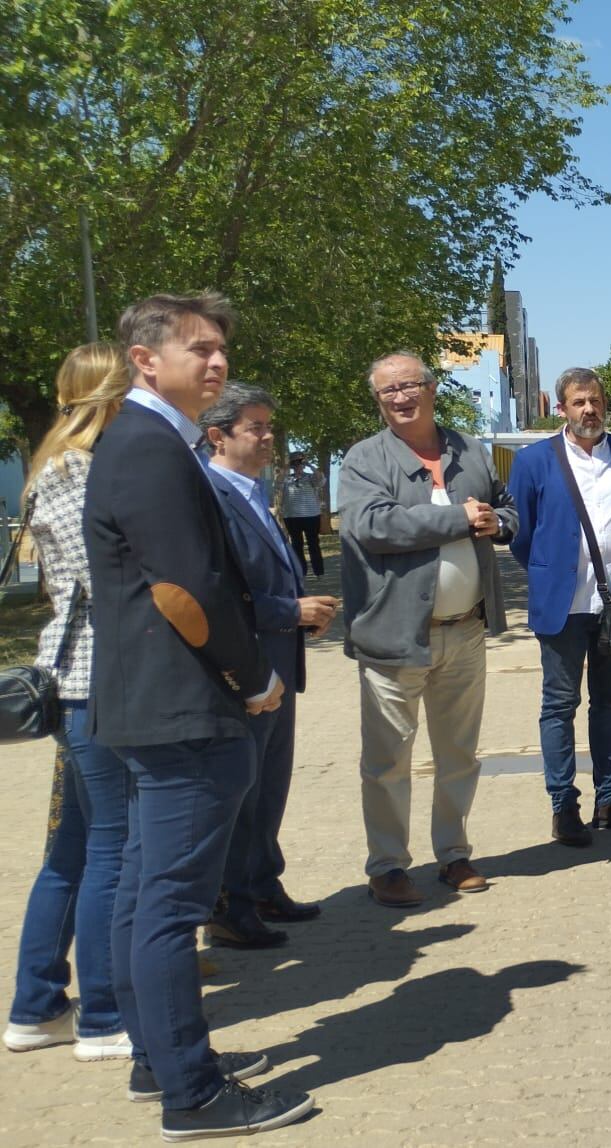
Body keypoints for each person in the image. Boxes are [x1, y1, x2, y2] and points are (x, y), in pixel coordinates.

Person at [85, 293, 309, 1137]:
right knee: (171, 903)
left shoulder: (150, 442)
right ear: (146, 359)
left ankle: (160, 1060)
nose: (216, 363)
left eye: (221, 350)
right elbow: (187, 592)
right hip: (181, 709)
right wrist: (252, 679)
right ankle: (194, 1093)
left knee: (148, 893)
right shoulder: (148, 448)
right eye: (200, 350)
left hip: (155, 707)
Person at [340, 352, 518, 909]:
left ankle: (454, 853)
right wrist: (461, 519)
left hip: (464, 630)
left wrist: (497, 522)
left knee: (459, 753)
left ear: (432, 389)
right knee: (388, 760)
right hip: (394, 637)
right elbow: (373, 525)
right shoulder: (364, 458)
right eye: (387, 391)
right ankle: (388, 865)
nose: (399, 398)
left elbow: (507, 508)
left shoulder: (470, 450)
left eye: (409, 385)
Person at [6, 343, 134, 1064]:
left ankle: (39, 1004)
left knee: (75, 849)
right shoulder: (75, 471)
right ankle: (102, 1016)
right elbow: (105, 574)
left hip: (84, 676)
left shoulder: (57, 466)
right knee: (107, 850)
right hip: (93, 679)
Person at [200, 385, 337, 951]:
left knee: (271, 786)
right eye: (255, 427)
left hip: (282, 660)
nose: (268, 436)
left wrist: (302, 616)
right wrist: (290, 610)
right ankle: (230, 903)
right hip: (244, 672)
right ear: (218, 436)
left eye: (267, 425)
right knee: (243, 791)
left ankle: (262, 884)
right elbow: (217, 595)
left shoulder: (254, 490)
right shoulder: (208, 496)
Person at [508, 369, 611, 847]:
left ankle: (610, 797)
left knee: (610, 702)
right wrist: (552, 569)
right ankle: (563, 805)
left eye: (594, 401)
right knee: (559, 704)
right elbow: (522, 536)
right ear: (562, 409)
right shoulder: (534, 461)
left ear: (605, 404)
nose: (588, 410)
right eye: (578, 402)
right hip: (562, 605)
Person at [278, 455, 324, 577]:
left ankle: (318, 571)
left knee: (313, 543)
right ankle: (301, 572)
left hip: (311, 515)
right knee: (296, 545)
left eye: (300, 464)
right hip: (292, 516)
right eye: (296, 464)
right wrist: (287, 466)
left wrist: (309, 465)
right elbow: (277, 484)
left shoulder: (310, 478)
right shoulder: (287, 479)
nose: (298, 466)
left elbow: (320, 480)